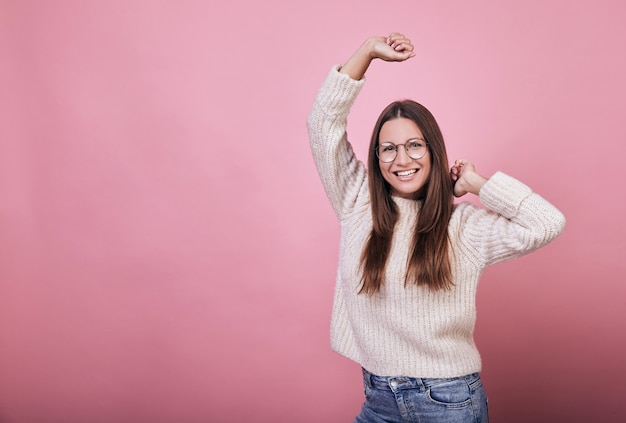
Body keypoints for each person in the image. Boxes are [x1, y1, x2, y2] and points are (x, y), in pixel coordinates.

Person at [307, 33, 566, 423]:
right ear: (377, 157)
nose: (401, 158)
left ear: (433, 151)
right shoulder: (356, 200)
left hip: (447, 401)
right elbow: (322, 123)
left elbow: (547, 223)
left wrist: (479, 185)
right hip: (379, 397)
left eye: (415, 145)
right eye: (388, 148)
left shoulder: (463, 226)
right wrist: (367, 53)